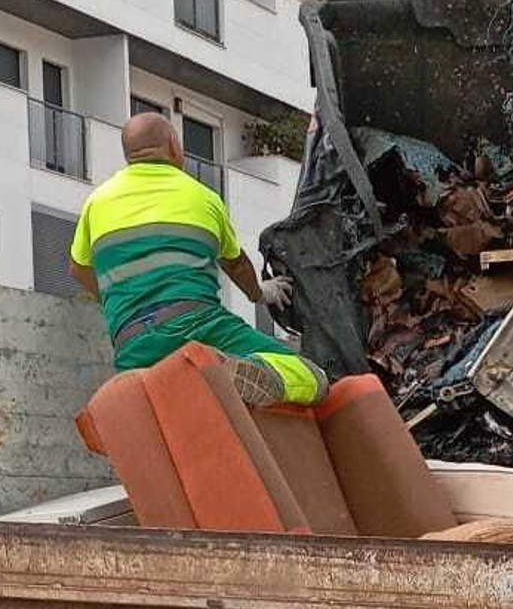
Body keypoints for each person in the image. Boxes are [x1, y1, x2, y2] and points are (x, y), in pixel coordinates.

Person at [70, 111, 324, 406]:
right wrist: (261, 293)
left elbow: (78, 268)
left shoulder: (96, 202)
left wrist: (119, 300)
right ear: (175, 145)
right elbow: (236, 264)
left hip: (133, 344)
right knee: (312, 375)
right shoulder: (202, 197)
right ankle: (251, 371)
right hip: (200, 329)